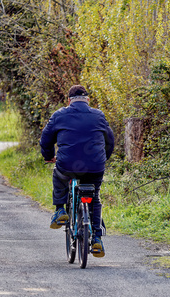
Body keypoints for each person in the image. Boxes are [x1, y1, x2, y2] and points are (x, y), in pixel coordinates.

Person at [40, 85, 114, 257]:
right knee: (93, 197)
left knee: (59, 176)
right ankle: (96, 237)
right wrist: (104, 158)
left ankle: (60, 210)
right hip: (95, 166)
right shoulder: (98, 115)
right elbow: (110, 141)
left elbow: (46, 139)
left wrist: (49, 156)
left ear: (69, 101)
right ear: (87, 100)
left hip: (67, 165)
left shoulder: (59, 115)